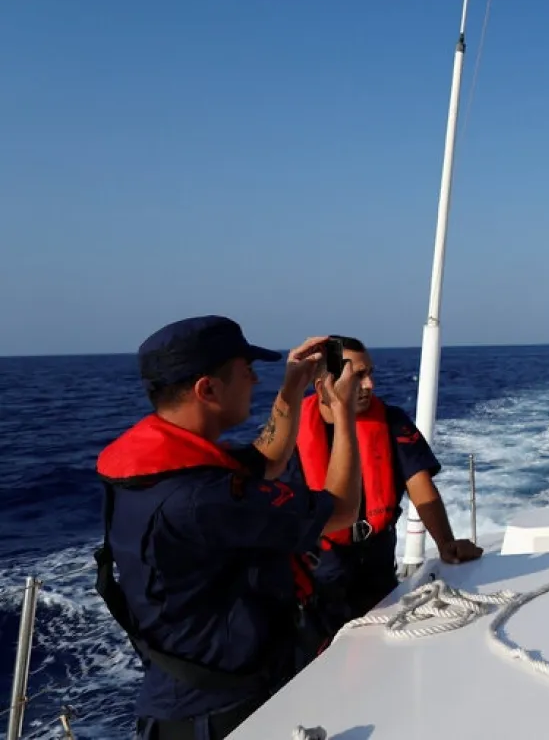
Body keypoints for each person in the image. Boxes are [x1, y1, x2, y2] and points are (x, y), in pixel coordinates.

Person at [95, 316, 364, 740]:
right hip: (220, 713)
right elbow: (345, 510)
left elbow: (269, 458)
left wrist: (292, 385)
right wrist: (344, 413)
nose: (256, 380)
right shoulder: (201, 498)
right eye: (246, 371)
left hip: (190, 697)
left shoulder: (165, 469)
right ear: (208, 389)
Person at [285, 335, 481, 633]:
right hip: (318, 574)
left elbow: (419, 484)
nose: (370, 386)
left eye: (370, 374)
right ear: (322, 386)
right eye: (357, 376)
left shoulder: (390, 421)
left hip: (376, 566)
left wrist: (446, 544)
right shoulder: (290, 435)